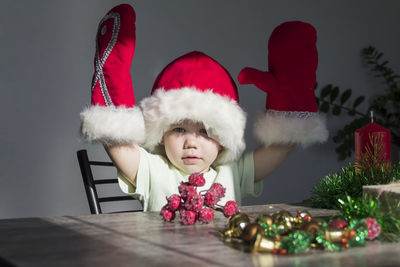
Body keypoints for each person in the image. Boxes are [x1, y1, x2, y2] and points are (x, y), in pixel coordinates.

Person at [80, 4, 328, 211]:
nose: (191, 143)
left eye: (206, 131)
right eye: (178, 129)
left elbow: (280, 148)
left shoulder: (233, 175)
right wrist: (112, 77)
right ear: (161, 134)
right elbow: (117, 143)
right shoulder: (154, 171)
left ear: (222, 140)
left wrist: (290, 102)